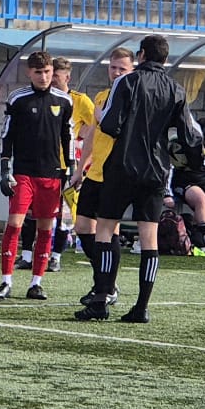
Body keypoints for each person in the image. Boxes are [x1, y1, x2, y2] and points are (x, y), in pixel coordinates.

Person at [77, 35, 199, 324]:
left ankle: (101, 300)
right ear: (165, 59)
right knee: (149, 238)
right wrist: (193, 164)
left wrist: (116, 124)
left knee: (105, 229)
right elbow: (189, 135)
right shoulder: (176, 89)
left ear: (141, 55)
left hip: (122, 167)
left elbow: (110, 124)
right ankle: (142, 307)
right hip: (156, 170)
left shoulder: (126, 82)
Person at [0, 52, 74, 300]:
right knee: (15, 224)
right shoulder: (17, 98)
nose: (43, 77)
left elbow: (68, 136)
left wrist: (71, 168)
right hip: (23, 173)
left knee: (45, 228)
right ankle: (6, 281)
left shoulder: (64, 101)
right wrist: (4, 169)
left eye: (47, 72)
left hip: (51, 175)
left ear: (53, 72)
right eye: (38, 72)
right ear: (29, 72)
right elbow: (6, 135)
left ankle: (36, 283)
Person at [73, 48, 134, 267]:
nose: (116, 72)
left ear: (132, 70)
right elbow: (91, 134)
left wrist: (104, 118)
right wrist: (80, 169)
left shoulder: (132, 99)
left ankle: (107, 280)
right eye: (113, 67)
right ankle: (102, 272)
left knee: (108, 228)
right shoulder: (101, 97)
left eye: (122, 69)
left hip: (115, 173)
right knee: (82, 226)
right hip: (95, 171)